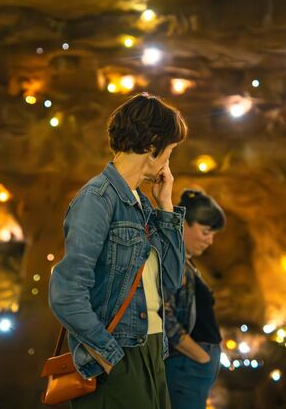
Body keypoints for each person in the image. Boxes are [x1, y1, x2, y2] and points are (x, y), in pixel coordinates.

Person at [49, 93, 188, 408]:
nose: (169, 160)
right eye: (170, 150)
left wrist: (166, 207)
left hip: (152, 349)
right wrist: (111, 359)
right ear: (153, 146)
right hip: (117, 355)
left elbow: (171, 280)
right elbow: (66, 294)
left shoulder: (141, 203)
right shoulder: (96, 199)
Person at [164, 189, 226, 409]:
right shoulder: (174, 261)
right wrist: (199, 356)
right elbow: (163, 315)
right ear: (183, 223)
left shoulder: (187, 263)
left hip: (192, 366)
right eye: (206, 231)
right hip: (186, 365)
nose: (210, 241)